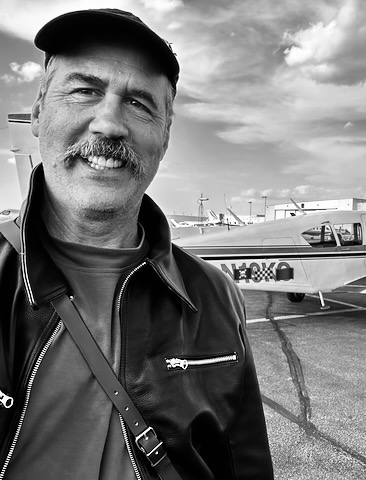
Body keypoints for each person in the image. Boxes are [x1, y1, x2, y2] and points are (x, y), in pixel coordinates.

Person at [0, 8, 274, 480]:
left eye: (140, 103)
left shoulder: (217, 295)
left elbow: (245, 458)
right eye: (85, 90)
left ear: (165, 136)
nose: (109, 124)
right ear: (40, 112)